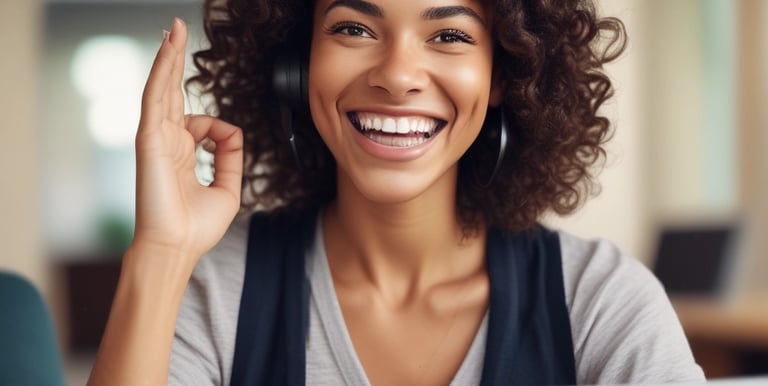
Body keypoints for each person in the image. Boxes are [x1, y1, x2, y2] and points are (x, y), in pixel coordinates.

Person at [88, 0, 706, 384]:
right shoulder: (218, 289)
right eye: (355, 26)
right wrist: (162, 254)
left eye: (451, 35)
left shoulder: (596, 301)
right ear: (297, 66)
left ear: (504, 74)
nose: (397, 76)